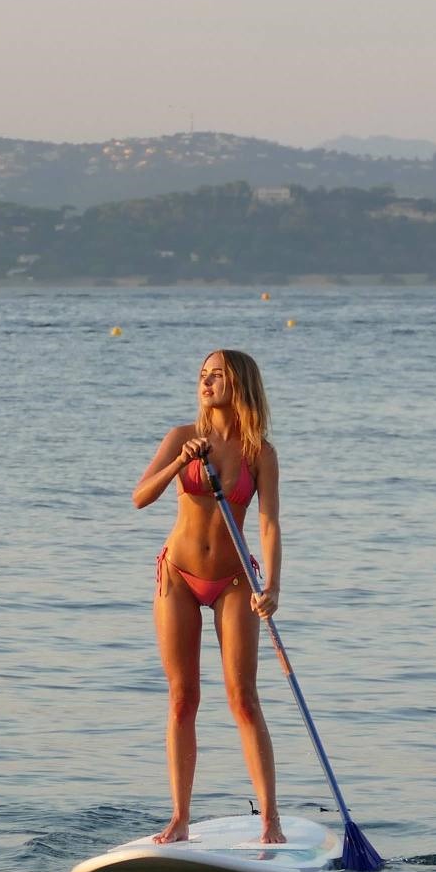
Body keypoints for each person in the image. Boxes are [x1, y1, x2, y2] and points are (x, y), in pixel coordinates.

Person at [132, 349, 284, 846]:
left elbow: (268, 521)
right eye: (201, 375)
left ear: (238, 383)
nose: (206, 382)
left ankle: (270, 820)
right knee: (182, 699)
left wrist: (273, 586)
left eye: (216, 375)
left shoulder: (259, 451)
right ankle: (179, 818)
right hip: (177, 576)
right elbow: (140, 496)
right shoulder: (182, 437)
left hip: (236, 581)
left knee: (243, 699)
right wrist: (180, 461)